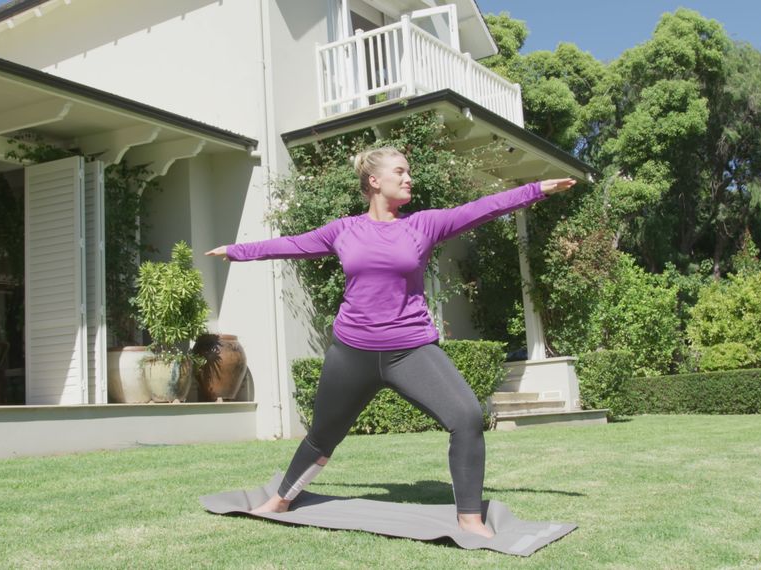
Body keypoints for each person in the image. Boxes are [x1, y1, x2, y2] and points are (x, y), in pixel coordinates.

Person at [205, 146, 576, 538]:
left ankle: (469, 518)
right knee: (323, 436)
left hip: (411, 350)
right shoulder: (343, 230)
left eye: (408, 171)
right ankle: (281, 499)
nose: (408, 178)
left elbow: (481, 208)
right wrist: (238, 251)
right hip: (351, 352)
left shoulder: (423, 225)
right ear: (374, 181)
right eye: (400, 171)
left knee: (466, 417)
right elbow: (293, 244)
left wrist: (535, 190)